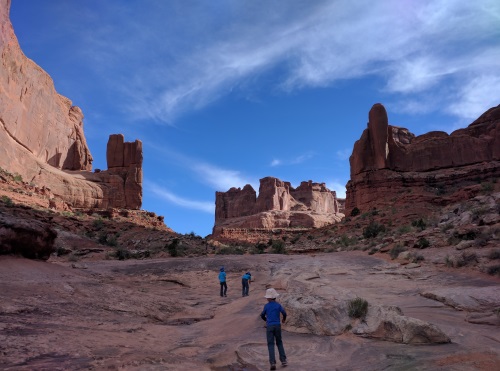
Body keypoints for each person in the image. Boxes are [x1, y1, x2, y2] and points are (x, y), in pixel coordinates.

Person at [260, 288, 287, 370]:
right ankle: (283, 360)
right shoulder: (278, 305)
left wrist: (266, 320)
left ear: (268, 298)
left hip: (270, 326)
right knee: (279, 342)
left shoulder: (266, 306)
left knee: (270, 344)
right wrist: (283, 319)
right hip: (277, 325)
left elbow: (262, 315)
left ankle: (272, 363)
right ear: (275, 297)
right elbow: (284, 313)